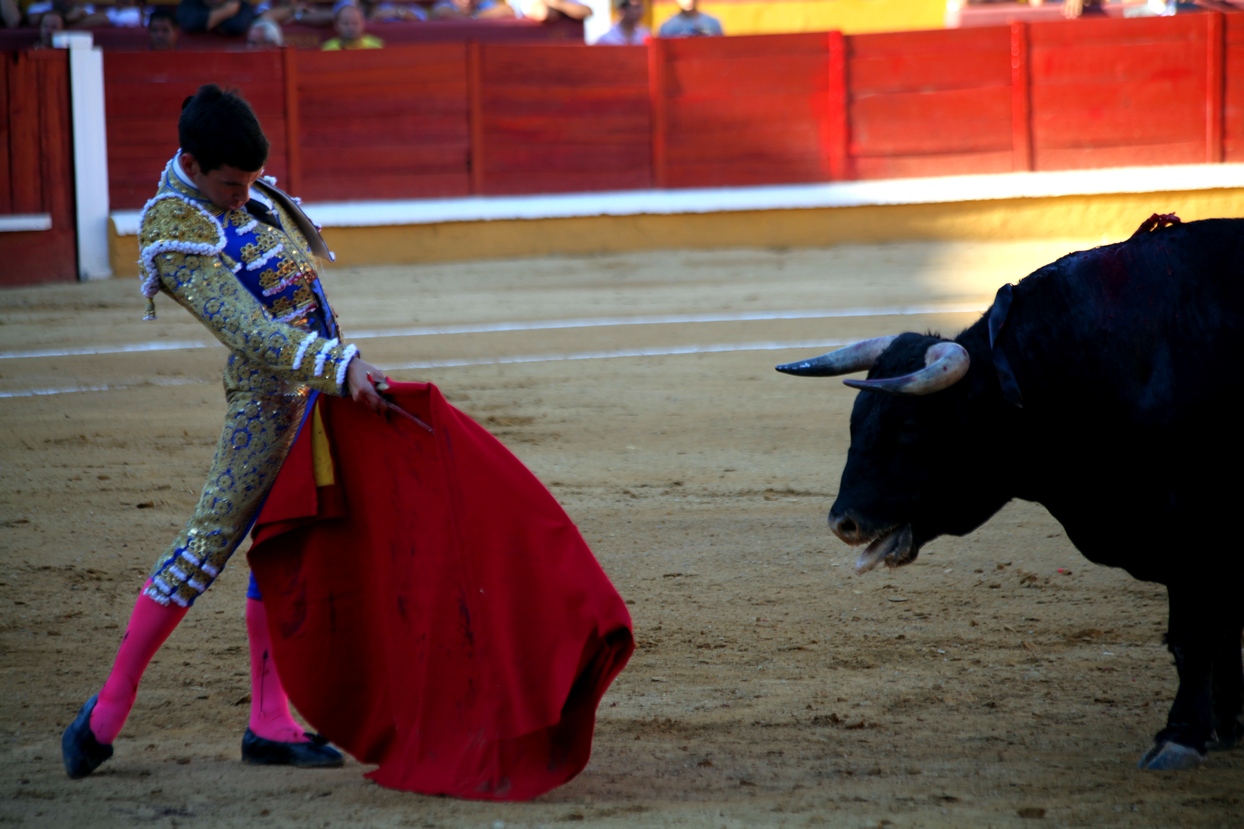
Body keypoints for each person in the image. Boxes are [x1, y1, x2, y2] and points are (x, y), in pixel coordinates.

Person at [61, 84, 393, 780]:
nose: (245, 196)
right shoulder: (173, 229)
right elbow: (247, 330)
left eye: (250, 182)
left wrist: (336, 368)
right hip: (268, 405)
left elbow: (303, 297)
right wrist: (339, 362)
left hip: (318, 394)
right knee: (207, 541)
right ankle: (104, 712)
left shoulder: (245, 191)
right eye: (232, 184)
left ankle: (269, 722)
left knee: (281, 543)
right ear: (190, 161)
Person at [177, 0, 255, 35]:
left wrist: (206, 22)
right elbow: (191, 23)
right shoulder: (188, 4)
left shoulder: (241, 6)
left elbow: (236, 26)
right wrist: (226, 12)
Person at [430, 0, 514, 20]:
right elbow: (441, 13)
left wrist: (474, 16)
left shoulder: (483, 3)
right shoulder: (444, 5)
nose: (467, 1)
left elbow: (508, 10)